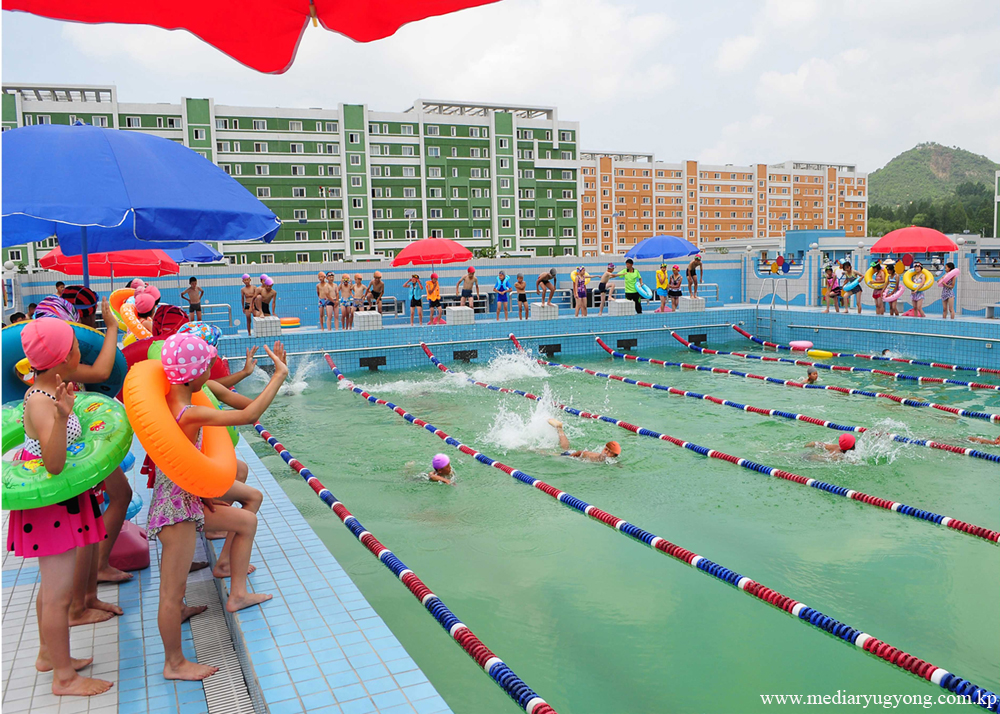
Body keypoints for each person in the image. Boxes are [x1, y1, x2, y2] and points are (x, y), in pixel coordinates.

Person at [149, 335, 285, 680]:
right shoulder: (189, 412)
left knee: (244, 521)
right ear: (195, 376)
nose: (212, 371)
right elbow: (250, 413)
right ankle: (174, 663)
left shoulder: (167, 401)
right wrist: (278, 376)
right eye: (207, 367)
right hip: (176, 510)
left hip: (184, 497)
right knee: (170, 591)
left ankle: (237, 593)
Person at [11, 319, 113, 696]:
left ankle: (47, 655)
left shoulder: (54, 390)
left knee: (51, 589)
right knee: (58, 595)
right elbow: (54, 463)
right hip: (51, 507)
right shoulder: (42, 401)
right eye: (74, 346)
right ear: (60, 358)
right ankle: (64, 679)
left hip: (60, 501)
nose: (79, 351)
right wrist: (61, 415)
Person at [548, 419, 621, 463]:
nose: (606, 452)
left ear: (614, 456)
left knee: (566, 448)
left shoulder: (605, 459)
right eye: (606, 449)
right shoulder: (596, 457)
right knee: (545, 453)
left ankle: (559, 429)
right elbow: (580, 452)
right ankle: (559, 429)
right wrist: (568, 457)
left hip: (574, 455)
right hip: (572, 455)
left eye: (610, 452)